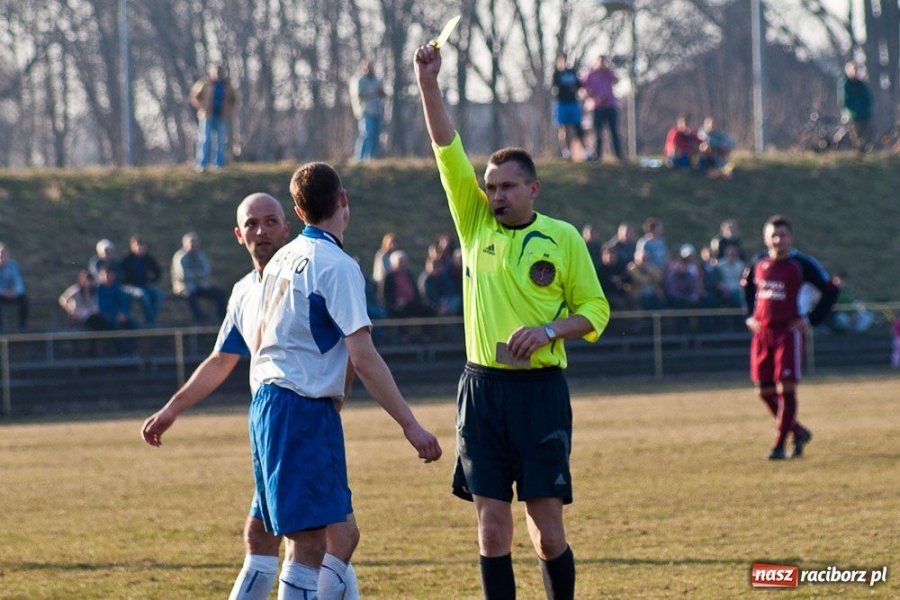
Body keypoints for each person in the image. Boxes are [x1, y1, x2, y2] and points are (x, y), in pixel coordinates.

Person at [415, 42, 610, 600]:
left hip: (541, 393)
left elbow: (596, 312)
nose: (495, 194)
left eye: (506, 186)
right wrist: (430, 85)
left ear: (533, 189)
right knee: (491, 527)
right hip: (482, 391)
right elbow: (446, 147)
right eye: (490, 186)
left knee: (547, 533)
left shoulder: (563, 238)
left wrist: (548, 331)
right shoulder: (475, 224)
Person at [141, 193, 362, 600]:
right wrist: (173, 408)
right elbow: (221, 359)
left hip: (301, 419)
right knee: (266, 537)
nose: (262, 231)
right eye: (252, 224)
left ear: (287, 227)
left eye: (270, 221)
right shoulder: (244, 291)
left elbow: (353, 347)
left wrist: (337, 401)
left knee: (327, 537)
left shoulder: (308, 273)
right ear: (238, 234)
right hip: (270, 426)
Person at [248, 162, 442, 598]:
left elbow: (261, 336)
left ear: (298, 213)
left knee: (342, 535)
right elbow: (364, 356)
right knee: (311, 543)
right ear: (343, 200)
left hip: (269, 402)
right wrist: (410, 424)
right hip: (300, 410)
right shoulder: (336, 265)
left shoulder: (283, 256)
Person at [741, 215, 840, 460]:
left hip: (788, 332)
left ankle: (779, 444)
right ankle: (798, 430)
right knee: (764, 392)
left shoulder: (803, 264)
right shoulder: (758, 262)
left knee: (786, 388)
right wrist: (749, 316)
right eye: (773, 236)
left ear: (790, 237)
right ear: (766, 238)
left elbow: (831, 290)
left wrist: (809, 319)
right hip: (763, 332)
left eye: (782, 235)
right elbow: (746, 287)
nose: (777, 240)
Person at [189, 63, 239, 172]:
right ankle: (202, 164)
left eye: (220, 72)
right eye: (216, 72)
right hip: (207, 116)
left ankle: (219, 164)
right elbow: (194, 96)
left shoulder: (227, 85)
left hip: (221, 116)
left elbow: (234, 100)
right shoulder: (205, 83)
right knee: (205, 140)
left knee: (221, 141)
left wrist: (228, 110)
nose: (218, 74)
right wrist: (202, 107)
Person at [171, 231, 228, 323]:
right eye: (191, 242)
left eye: (195, 242)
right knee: (190, 296)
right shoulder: (180, 257)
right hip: (184, 287)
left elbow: (206, 270)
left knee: (220, 293)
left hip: (200, 285)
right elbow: (183, 275)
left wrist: (195, 275)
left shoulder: (200, 255)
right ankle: (199, 319)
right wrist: (198, 274)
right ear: (184, 243)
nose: (193, 245)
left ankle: (222, 318)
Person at [580, 54, 623, 161]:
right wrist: (594, 98)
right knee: (597, 132)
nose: (603, 64)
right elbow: (582, 89)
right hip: (596, 107)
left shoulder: (608, 73)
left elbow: (616, 80)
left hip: (610, 106)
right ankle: (597, 155)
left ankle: (618, 155)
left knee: (614, 131)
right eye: (601, 61)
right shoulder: (590, 74)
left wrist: (610, 71)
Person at [121, 235, 165, 325]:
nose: (140, 248)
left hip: (145, 285)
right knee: (143, 295)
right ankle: (150, 321)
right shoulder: (127, 258)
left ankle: (151, 319)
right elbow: (121, 275)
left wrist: (152, 281)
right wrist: (127, 283)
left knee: (159, 294)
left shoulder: (148, 258)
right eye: (137, 245)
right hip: (131, 286)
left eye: (142, 246)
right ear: (132, 246)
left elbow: (158, 271)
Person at [551, 52, 587, 160]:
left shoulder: (573, 72)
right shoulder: (557, 74)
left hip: (573, 103)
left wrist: (575, 89)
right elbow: (555, 87)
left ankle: (585, 151)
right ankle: (566, 152)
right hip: (562, 104)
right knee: (563, 128)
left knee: (578, 127)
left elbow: (579, 86)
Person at [96, 264, 138, 355]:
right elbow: (97, 305)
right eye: (105, 275)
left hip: (117, 315)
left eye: (109, 274)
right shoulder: (97, 290)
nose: (107, 277)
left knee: (133, 324)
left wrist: (122, 313)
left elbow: (122, 303)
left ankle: (131, 350)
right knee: (114, 326)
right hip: (105, 317)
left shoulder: (117, 289)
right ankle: (120, 352)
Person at [350, 60, 387, 161]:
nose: (370, 69)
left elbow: (383, 95)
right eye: (368, 67)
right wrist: (374, 91)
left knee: (375, 136)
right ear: (364, 68)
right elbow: (360, 94)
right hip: (366, 112)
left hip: (377, 112)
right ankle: (359, 158)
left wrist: (381, 91)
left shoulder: (377, 80)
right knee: (366, 134)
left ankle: (371, 158)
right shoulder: (360, 80)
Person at [837, 61, 873, 152]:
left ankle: (863, 150)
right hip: (851, 115)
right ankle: (857, 151)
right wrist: (852, 111)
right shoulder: (845, 84)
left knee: (867, 133)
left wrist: (866, 109)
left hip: (864, 114)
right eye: (854, 70)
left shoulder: (861, 84)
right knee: (855, 135)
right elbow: (844, 101)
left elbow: (868, 98)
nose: (856, 72)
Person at [0, 242, 28, 330]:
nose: (2, 258)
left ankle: (22, 327)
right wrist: (5, 293)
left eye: (4, 255)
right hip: (2, 295)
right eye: (0, 255)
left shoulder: (13, 266)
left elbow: (19, 284)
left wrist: (15, 292)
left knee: (24, 299)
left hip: (12, 294)